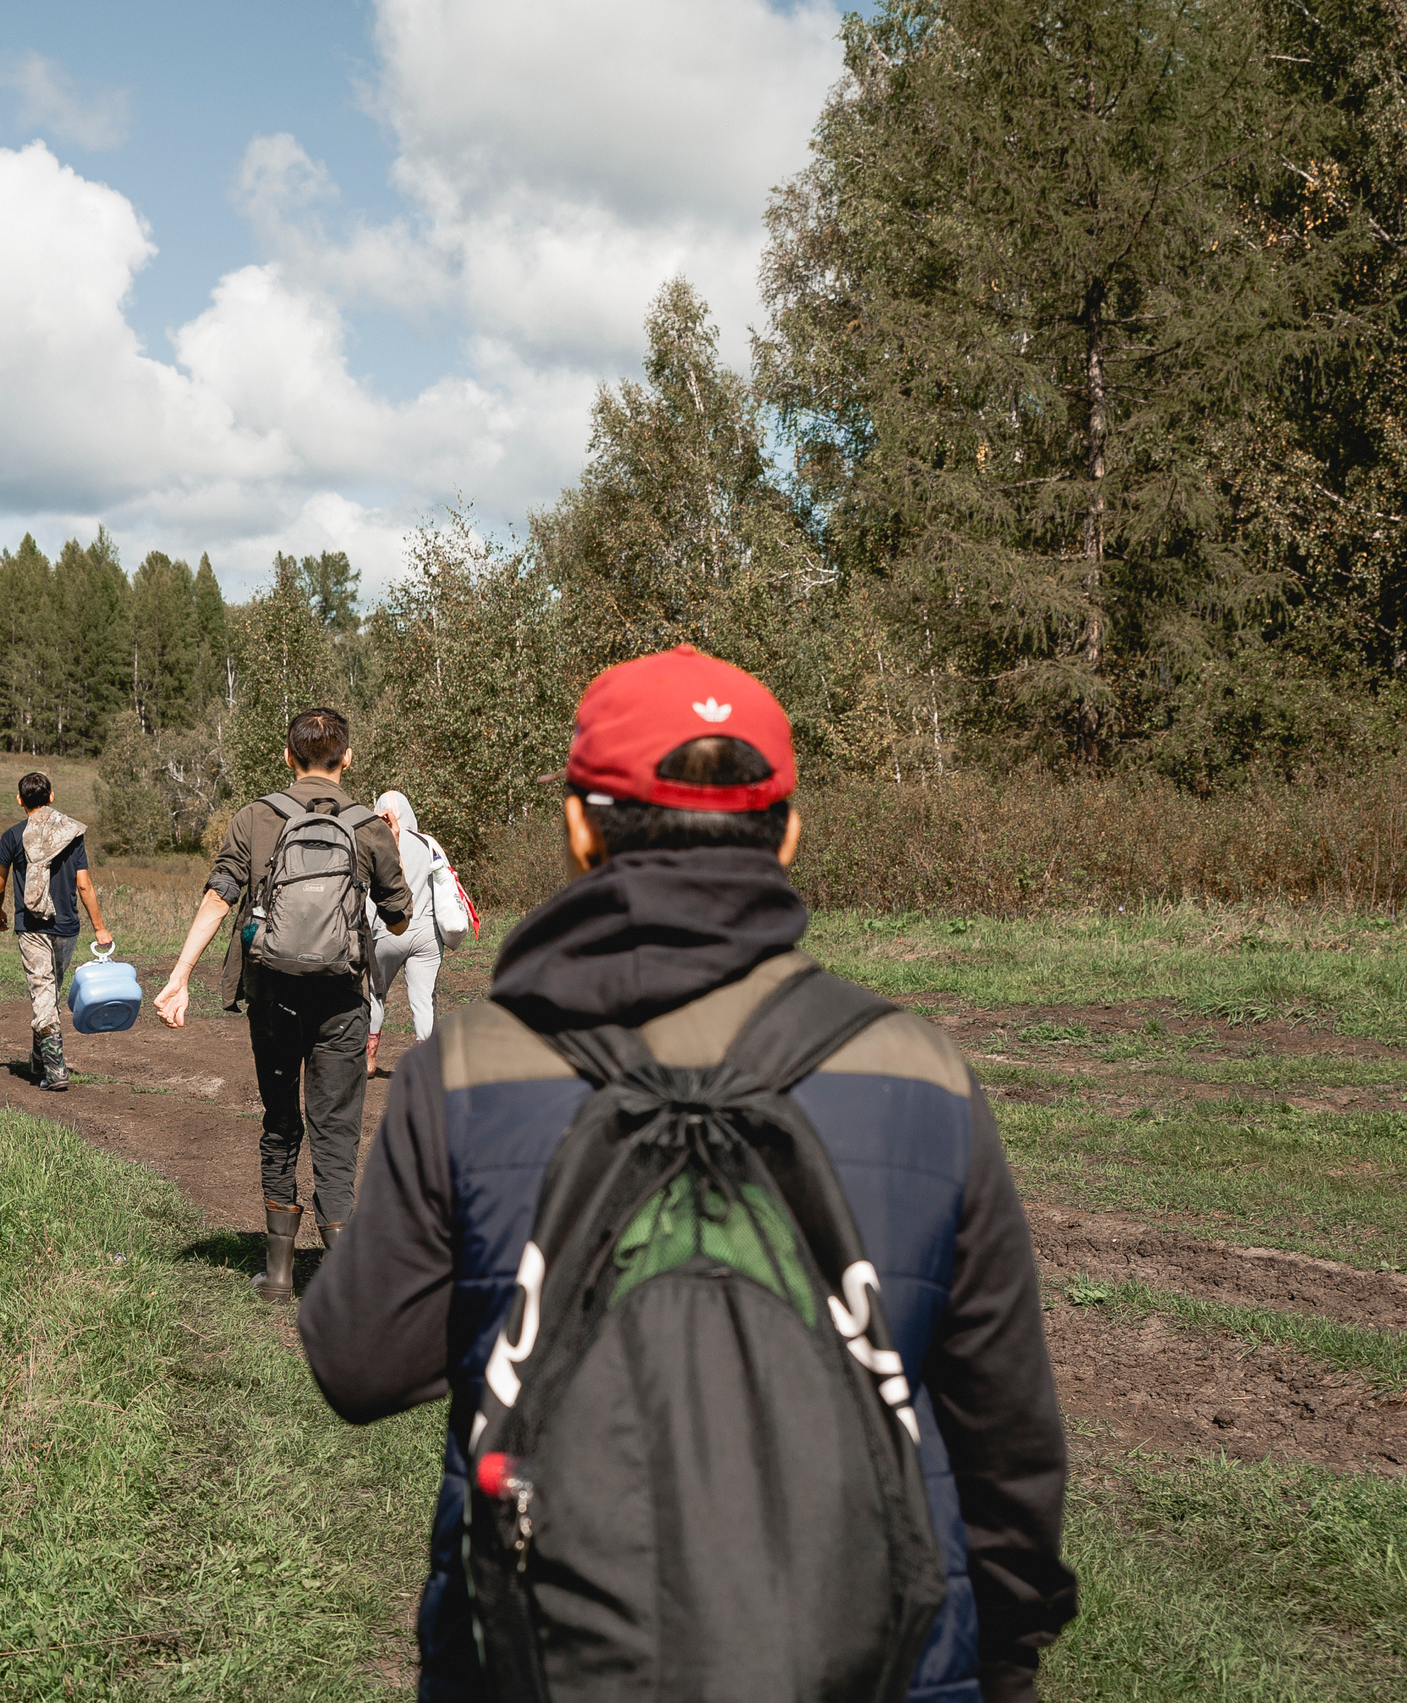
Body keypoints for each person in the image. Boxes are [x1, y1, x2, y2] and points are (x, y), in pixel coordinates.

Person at [297, 646, 1075, 1702]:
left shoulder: (468, 1072)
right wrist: (1007, 1654)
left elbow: (357, 1360)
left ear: (580, 828)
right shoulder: (920, 1072)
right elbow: (1006, 1432)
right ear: (786, 832)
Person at [156, 707, 414, 1300]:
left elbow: (220, 893)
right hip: (342, 1000)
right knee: (337, 1126)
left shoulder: (254, 817)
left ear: (287, 756)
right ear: (347, 758)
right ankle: (342, 1281)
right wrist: (388, 848)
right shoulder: (367, 826)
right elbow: (399, 920)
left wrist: (181, 974)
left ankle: (276, 1274)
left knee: (280, 1121)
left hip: (271, 995)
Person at [0, 771, 111, 1091]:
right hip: (67, 927)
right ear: (52, 796)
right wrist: (99, 928)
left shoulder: (12, 836)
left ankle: (55, 1070)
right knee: (49, 991)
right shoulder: (72, 834)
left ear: (20, 800)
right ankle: (37, 1058)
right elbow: (83, 884)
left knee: (45, 993)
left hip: (31, 926)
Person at [365, 789, 444, 1072]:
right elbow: (444, 886)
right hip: (426, 933)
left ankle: (369, 1059)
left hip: (388, 931)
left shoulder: (373, 842)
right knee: (424, 999)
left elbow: (369, 896)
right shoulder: (428, 843)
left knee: (375, 993)